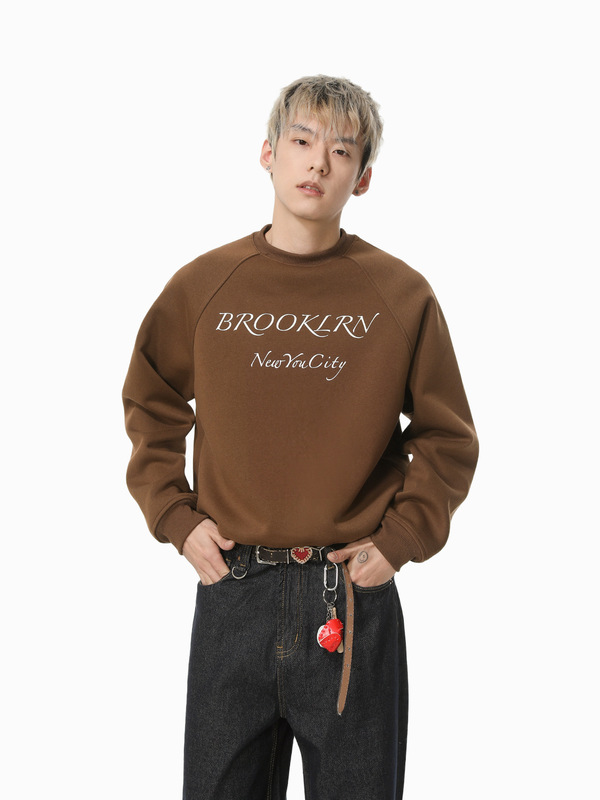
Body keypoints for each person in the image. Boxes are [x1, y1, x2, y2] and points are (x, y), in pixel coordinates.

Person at [122, 75, 479, 800]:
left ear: (363, 177)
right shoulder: (206, 285)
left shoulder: (401, 295)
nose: (318, 161)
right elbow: (150, 399)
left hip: (348, 594)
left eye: (342, 150)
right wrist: (175, 516)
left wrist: (402, 538)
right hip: (233, 588)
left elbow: (448, 437)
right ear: (268, 153)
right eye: (302, 140)